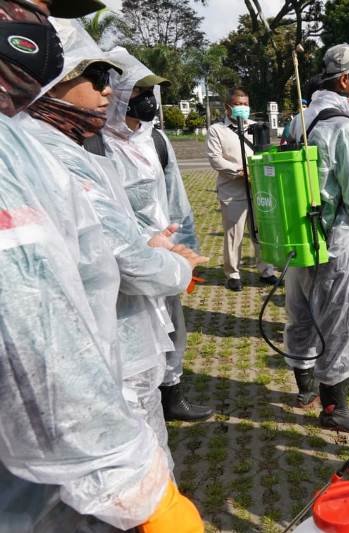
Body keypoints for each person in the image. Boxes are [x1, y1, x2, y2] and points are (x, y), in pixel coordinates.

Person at [0, 1, 203, 530]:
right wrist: (132, 486)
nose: (110, 90)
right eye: (94, 75)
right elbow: (32, 335)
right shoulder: (27, 157)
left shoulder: (41, 150)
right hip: (66, 450)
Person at [101, 46, 213, 421]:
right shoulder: (96, 145)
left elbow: (176, 199)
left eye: (150, 91)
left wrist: (188, 251)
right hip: (123, 261)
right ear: (116, 92)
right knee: (131, 334)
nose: (146, 100)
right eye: (138, 91)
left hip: (165, 255)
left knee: (172, 325)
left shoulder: (156, 142)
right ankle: (133, 404)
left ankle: (172, 393)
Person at [284, 43, 349, 432]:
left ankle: (305, 388)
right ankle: (334, 408)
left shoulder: (300, 121)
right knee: (341, 321)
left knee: (303, 315)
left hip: (300, 239)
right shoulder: (343, 128)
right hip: (336, 241)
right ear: (346, 80)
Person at [207, 87, 278, 291]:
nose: (243, 108)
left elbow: (266, 154)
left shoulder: (257, 128)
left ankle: (266, 270)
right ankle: (233, 274)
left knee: (262, 231)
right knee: (234, 234)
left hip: (259, 189)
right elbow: (215, 159)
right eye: (238, 105)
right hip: (233, 190)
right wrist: (239, 171)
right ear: (228, 107)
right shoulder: (217, 130)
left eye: (245, 104)